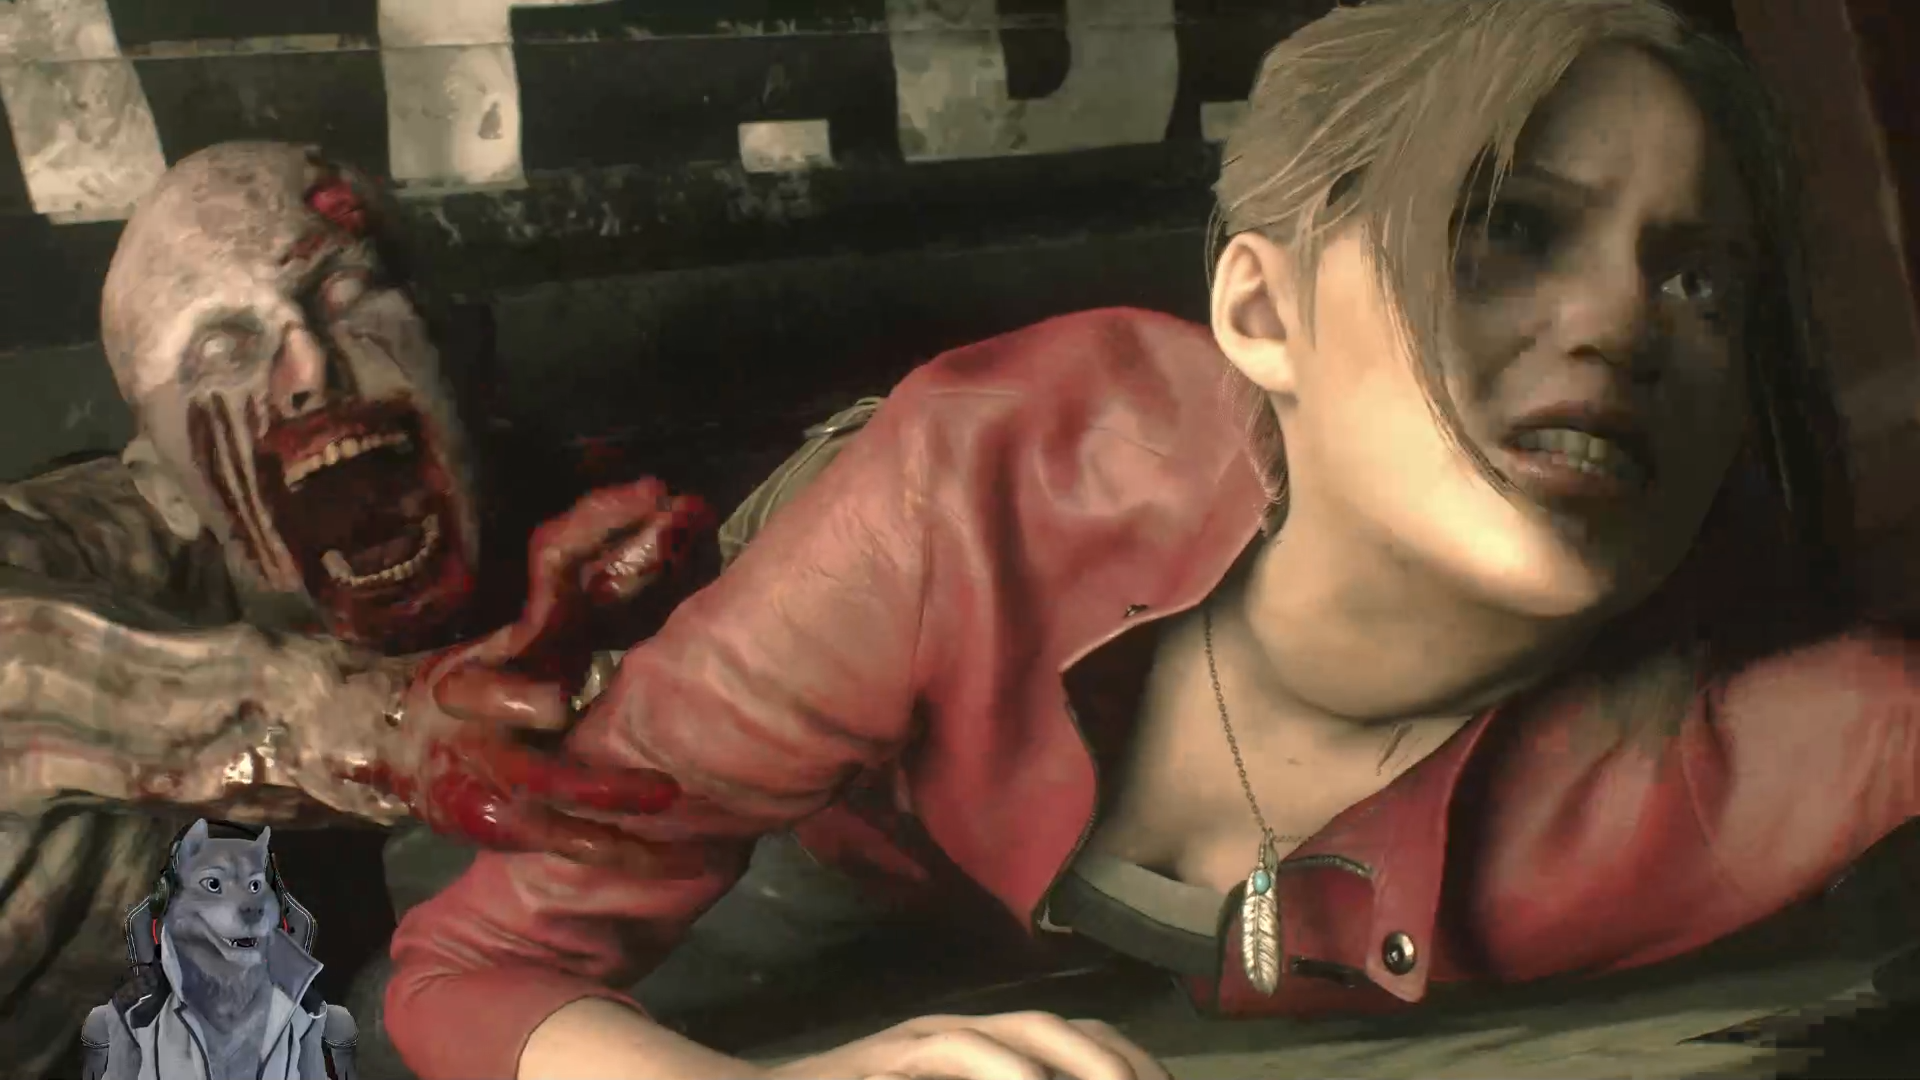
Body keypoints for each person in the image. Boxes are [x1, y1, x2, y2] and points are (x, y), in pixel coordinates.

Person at [384, 1, 1912, 1077]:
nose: (1619, 325)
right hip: (811, 838)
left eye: (1699, 283)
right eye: (1506, 226)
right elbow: (468, 969)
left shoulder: (1752, 764)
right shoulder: (977, 491)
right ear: (1262, 309)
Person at [0, 141, 698, 1078]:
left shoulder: (578, 524)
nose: (307, 368)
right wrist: (364, 724)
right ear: (160, 487)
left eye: (344, 296)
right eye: (222, 352)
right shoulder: (95, 547)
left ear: (467, 360)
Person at [79, 820, 360, 1080]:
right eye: (214, 884)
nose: (249, 905)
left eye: (254, 885)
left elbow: (300, 923)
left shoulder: (297, 1005)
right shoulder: (139, 1011)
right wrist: (143, 981)